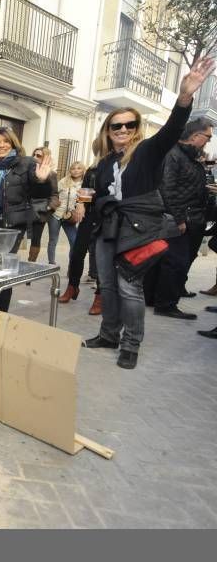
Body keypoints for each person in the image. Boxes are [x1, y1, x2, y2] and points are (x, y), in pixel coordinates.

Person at [81, 57, 214, 370]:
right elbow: (100, 196)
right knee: (108, 286)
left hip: (138, 229)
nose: (123, 129)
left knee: (130, 287)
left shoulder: (146, 151)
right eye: (117, 125)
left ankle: (131, 343)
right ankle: (109, 335)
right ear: (108, 130)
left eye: (130, 124)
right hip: (107, 230)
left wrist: (184, 99)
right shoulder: (103, 163)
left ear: (136, 129)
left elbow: (171, 130)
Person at [0, 127, 54, 311]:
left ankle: (0, 313)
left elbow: (39, 194)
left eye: (5, 141)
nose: (1, 145)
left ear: (13, 143)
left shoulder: (26, 164)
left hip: (11, 227)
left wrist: (42, 180)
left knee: (2, 271)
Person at [144, 118, 214, 320]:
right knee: (175, 262)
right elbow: (167, 189)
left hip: (192, 218)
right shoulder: (173, 155)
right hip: (182, 219)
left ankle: (155, 298)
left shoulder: (189, 157)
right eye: (207, 137)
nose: (208, 142)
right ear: (195, 135)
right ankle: (165, 304)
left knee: (171, 261)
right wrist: (179, 219)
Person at [58, 152, 102, 315]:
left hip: (108, 216)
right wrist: (81, 205)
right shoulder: (93, 168)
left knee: (99, 257)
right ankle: (72, 287)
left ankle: (100, 295)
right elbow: (85, 189)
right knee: (77, 253)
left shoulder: (119, 165)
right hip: (89, 216)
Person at [47, 161, 85, 265]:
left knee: (74, 242)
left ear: (83, 170)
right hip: (56, 214)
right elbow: (53, 195)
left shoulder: (85, 184)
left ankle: (71, 266)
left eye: (78, 168)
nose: (76, 170)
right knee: (53, 240)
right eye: (73, 168)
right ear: (70, 171)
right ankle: (51, 264)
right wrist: (52, 205)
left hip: (70, 216)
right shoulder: (63, 182)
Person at [27, 146, 59, 263]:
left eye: (39, 156)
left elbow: (55, 194)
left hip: (40, 212)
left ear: (45, 158)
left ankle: (31, 264)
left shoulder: (51, 174)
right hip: (25, 209)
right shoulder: (28, 171)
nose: (35, 158)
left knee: (36, 239)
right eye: (34, 155)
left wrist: (49, 207)